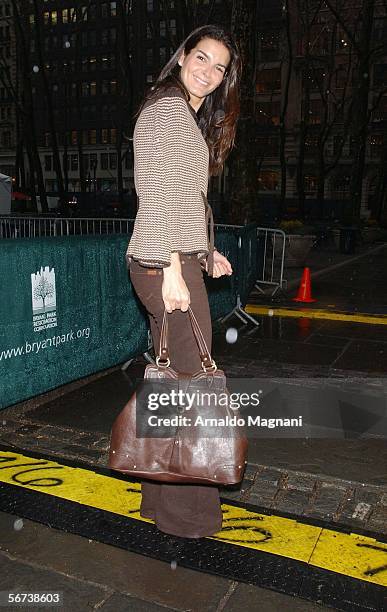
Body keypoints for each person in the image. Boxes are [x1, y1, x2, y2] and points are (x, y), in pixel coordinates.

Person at [126, 24, 242, 538]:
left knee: (172, 379)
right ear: (181, 58)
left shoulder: (188, 117)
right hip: (161, 262)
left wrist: (206, 252)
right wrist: (172, 267)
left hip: (174, 257)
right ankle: (188, 517)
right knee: (195, 383)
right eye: (201, 58)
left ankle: (158, 495)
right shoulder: (168, 108)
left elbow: (184, 197)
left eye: (219, 67)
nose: (209, 72)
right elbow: (153, 188)